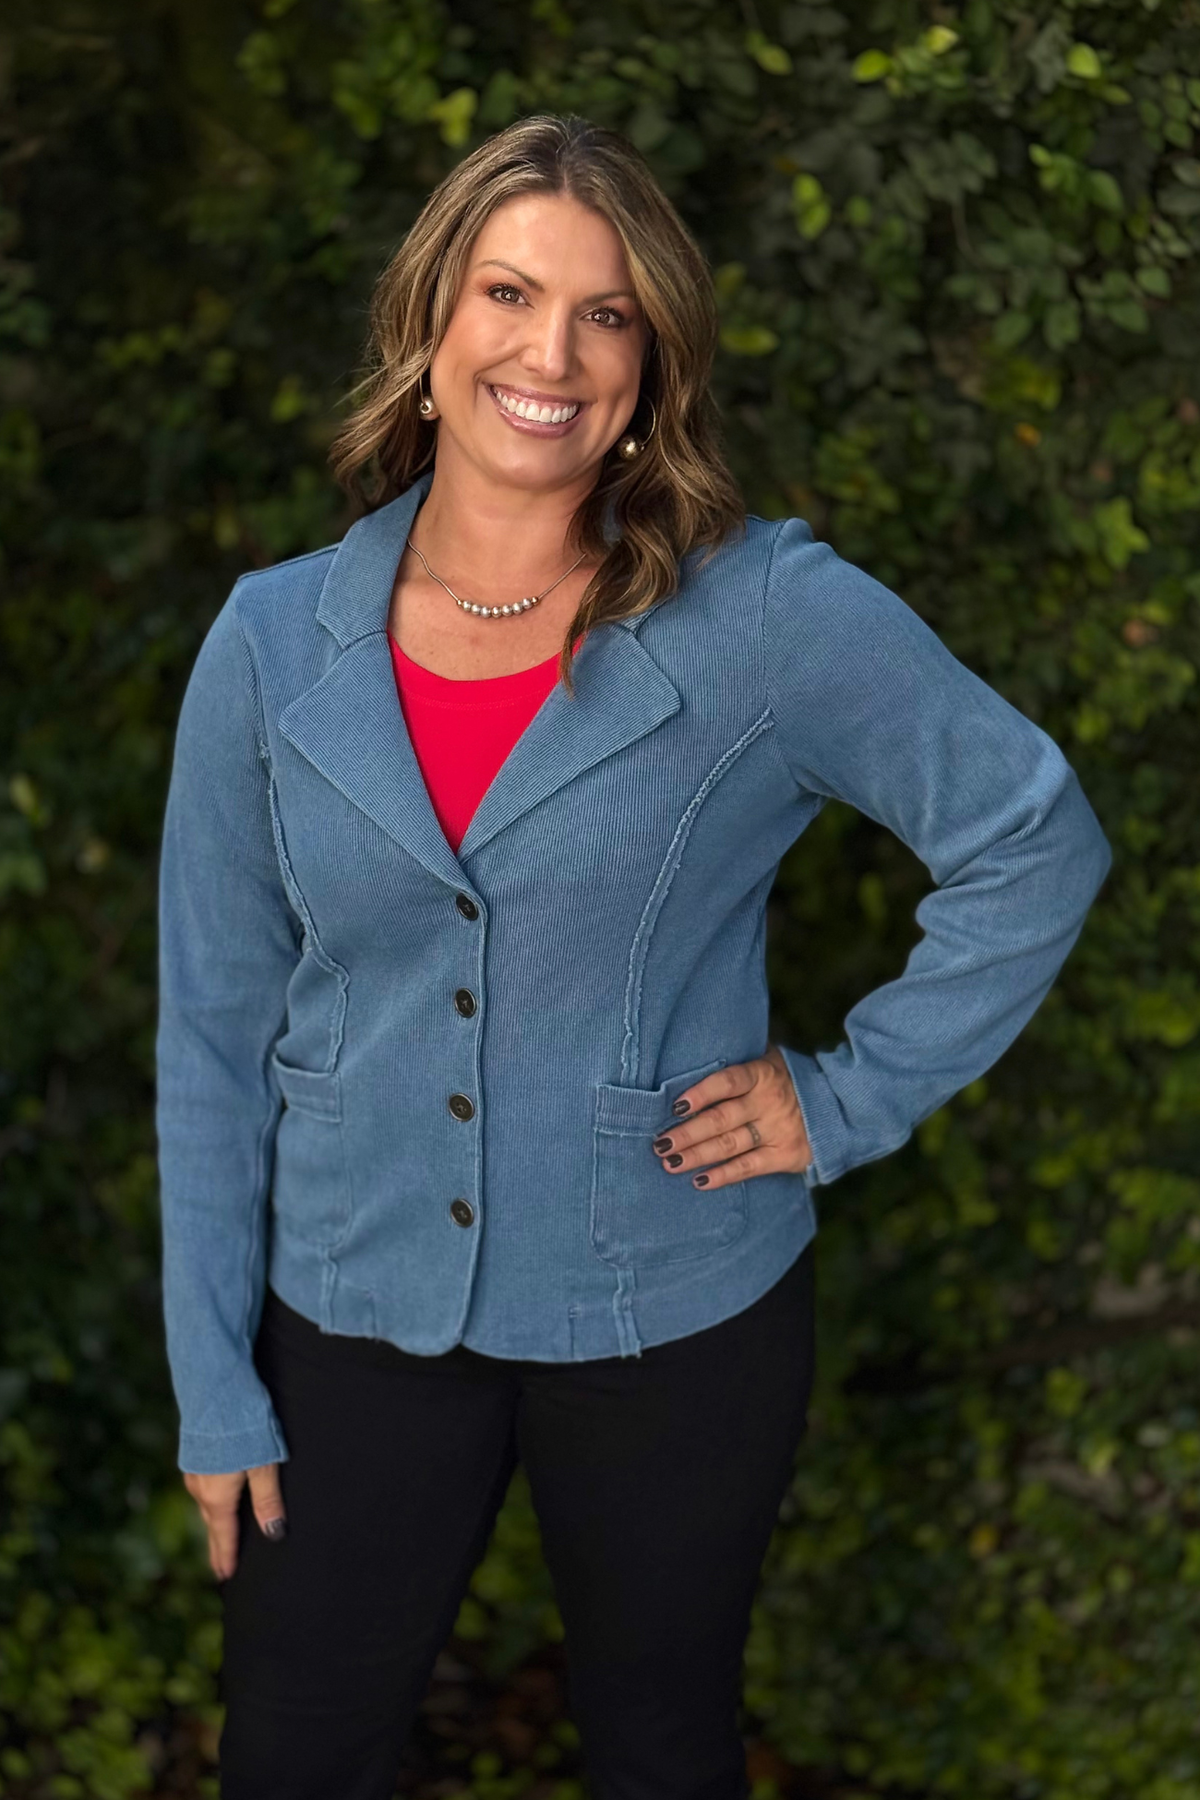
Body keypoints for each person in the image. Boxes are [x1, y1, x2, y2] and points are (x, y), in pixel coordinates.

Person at [154, 113, 1112, 1800]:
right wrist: (211, 1380)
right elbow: (214, 1031)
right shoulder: (270, 641)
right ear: (428, 323)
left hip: (673, 1307)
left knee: (663, 1747)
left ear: (653, 362)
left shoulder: (766, 620)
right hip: (352, 1302)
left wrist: (846, 1095)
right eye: (509, 294)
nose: (552, 353)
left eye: (608, 314)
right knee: (295, 1754)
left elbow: (1033, 834)